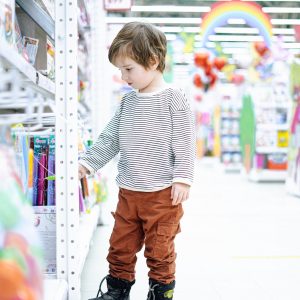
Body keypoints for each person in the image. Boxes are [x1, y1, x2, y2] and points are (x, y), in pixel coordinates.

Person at [79, 22, 195, 300]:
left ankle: (160, 292)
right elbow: (110, 139)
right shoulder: (127, 104)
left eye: (128, 69)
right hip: (129, 193)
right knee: (120, 245)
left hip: (163, 195)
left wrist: (182, 177)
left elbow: (185, 141)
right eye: (119, 69)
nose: (123, 76)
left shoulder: (174, 99)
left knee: (160, 249)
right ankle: (117, 291)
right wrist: (86, 164)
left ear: (153, 61)